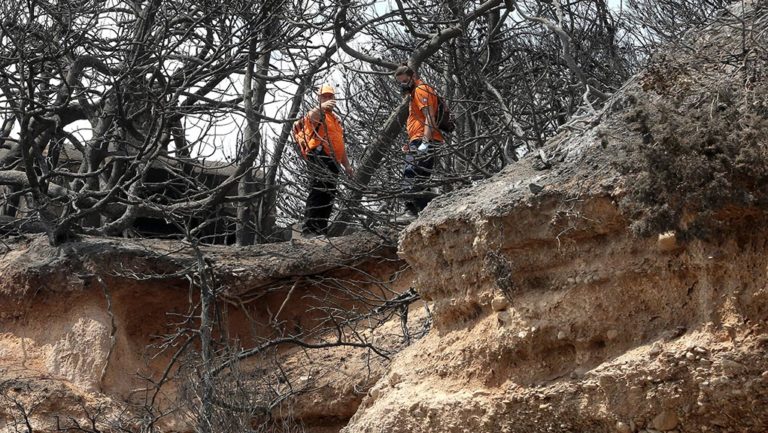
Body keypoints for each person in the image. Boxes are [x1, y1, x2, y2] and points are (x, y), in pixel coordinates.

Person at [296, 84, 354, 237]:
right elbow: (311, 117)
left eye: (330, 96)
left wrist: (347, 165)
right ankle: (309, 230)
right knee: (318, 190)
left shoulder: (335, 119)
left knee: (329, 194)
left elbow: (340, 144)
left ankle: (320, 229)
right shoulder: (317, 114)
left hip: (333, 159)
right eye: (325, 96)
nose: (328, 99)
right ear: (319, 98)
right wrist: (321, 107)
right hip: (319, 155)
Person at [394, 64, 444, 220]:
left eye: (405, 81)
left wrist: (423, 144)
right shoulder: (416, 92)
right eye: (400, 82)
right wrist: (412, 143)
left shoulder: (421, 90)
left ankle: (410, 210)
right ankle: (426, 213)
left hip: (425, 140)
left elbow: (429, 117)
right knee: (421, 179)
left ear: (413, 76)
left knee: (411, 173)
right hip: (421, 139)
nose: (403, 85)